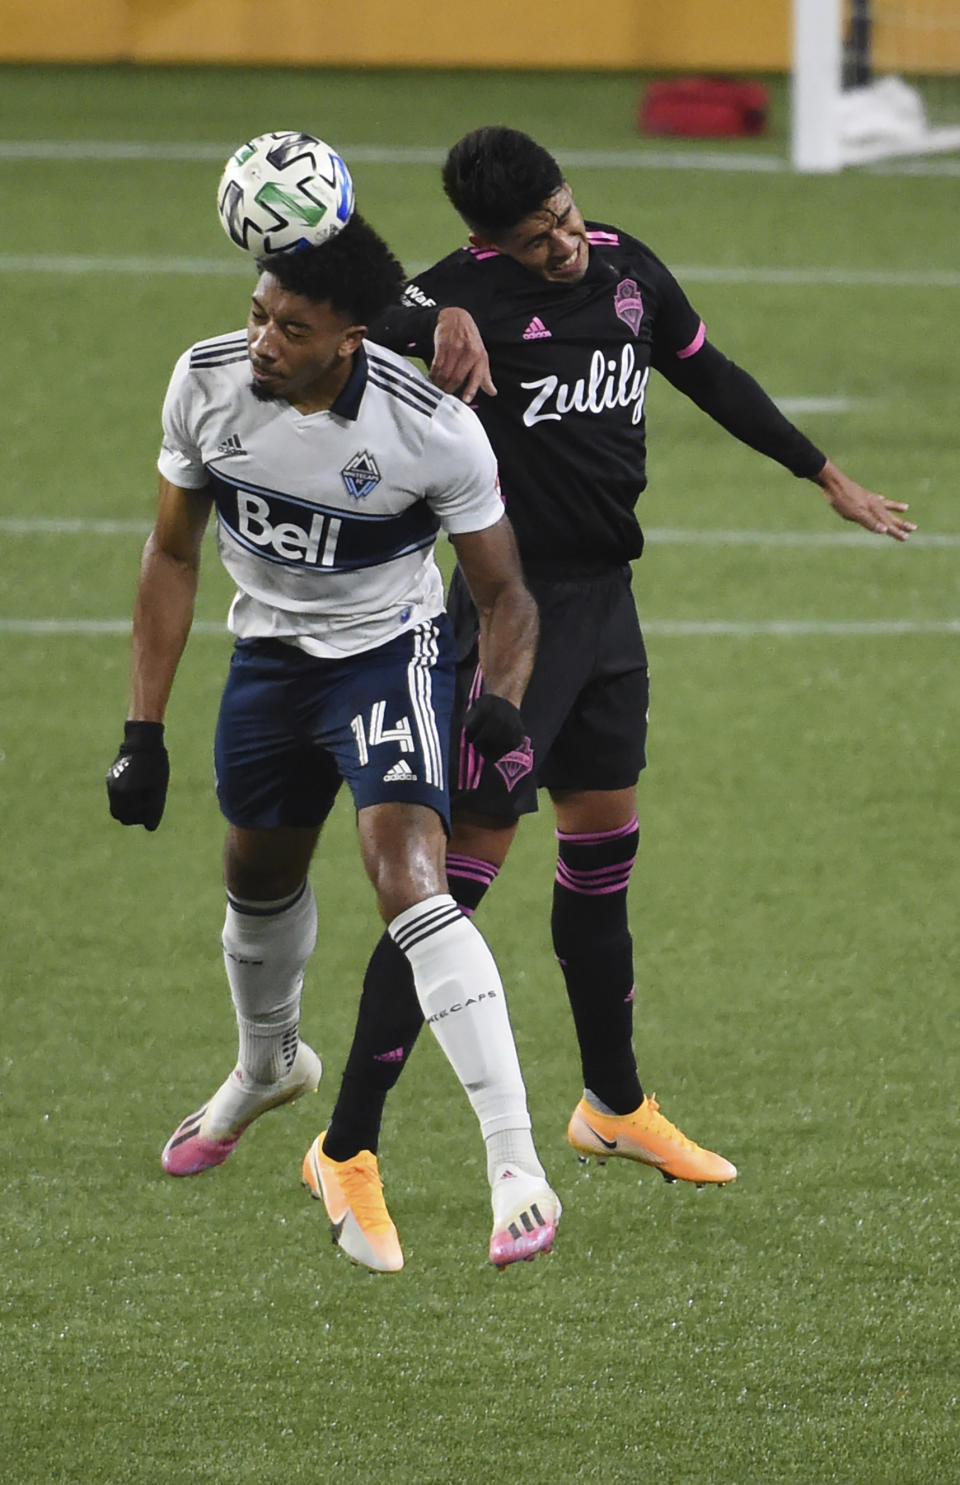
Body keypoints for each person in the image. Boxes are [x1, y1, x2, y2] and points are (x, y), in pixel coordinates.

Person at [311, 126, 917, 1270]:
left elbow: (710, 372)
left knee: (601, 847)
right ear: (487, 242)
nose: (564, 244)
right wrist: (422, 311)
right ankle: (346, 1143)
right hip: (511, 624)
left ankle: (614, 1107)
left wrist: (821, 472)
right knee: (454, 890)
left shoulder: (627, 267)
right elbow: (332, 312)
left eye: (565, 213)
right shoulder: (449, 297)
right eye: (535, 237)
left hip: (608, 611)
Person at [105, 210, 562, 1273]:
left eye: (293, 329)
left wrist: (499, 699)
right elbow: (171, 556)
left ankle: (515, 1165)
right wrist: (143, 729)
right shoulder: (206, 383)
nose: (264, 341)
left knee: (411, 880)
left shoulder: (431, 429)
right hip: (264, 663)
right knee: (255, 873)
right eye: (259, 314)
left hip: (381, 657)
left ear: (353, 334)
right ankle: (268, 1063)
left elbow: (505, 595)